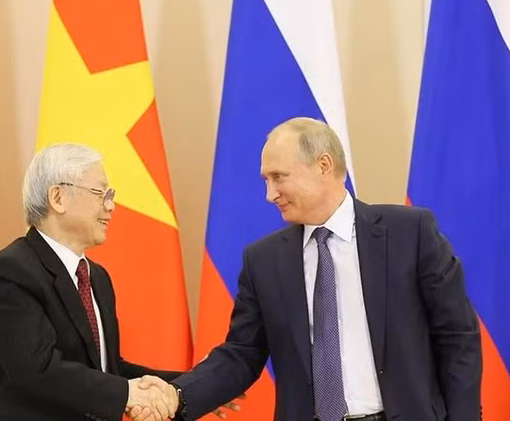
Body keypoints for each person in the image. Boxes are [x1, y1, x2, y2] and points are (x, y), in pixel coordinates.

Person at [164, 117, 482, 420]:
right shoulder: (263, 260)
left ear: (323, 166)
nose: (270, 194)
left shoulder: (409, 234)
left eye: (278, 177)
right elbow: (241, 354)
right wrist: (176, 394)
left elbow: (457, 337)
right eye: (266, 180)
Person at [0, 143, 180, 421]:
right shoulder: (12, 271)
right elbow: (37, 370)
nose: (111, 205)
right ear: (58, 197)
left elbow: (106, 370)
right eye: (100, 193)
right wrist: (128, 394)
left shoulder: (98, 278)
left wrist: (186, 388)